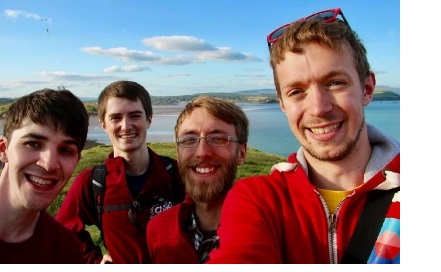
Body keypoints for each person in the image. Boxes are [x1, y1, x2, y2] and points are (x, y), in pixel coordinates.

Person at [208, 8, 400, 264]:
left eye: (335, 83)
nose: (319, 108)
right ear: (283, 104)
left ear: (366, 89)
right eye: (297, 91)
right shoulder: (258, 200)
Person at [55, 80, 186, 264]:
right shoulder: (92, 182)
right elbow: (63, 230)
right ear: (103, 125)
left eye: (135, 115)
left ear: (149, 119)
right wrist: (94, 260)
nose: (126, 126)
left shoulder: (175, 173)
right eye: (116, 118)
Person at [146, 96, 248, 263]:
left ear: (241, 153)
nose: (202, 152)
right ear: (178, 153)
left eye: (218, 139)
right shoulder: (158, 230)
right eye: (189, 140)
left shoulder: (267, 225)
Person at [0, 89, 89, 263]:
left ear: (77, 160)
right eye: (33, 144)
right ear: (3, 150)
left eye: (65, 150)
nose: (49, 164)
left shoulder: (67, 250)